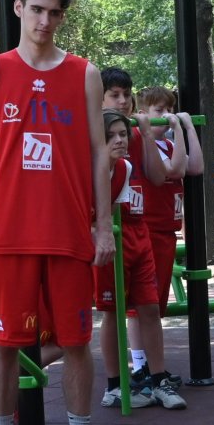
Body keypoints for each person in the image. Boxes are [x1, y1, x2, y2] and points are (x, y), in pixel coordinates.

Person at [0, 0, 113, 425]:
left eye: (54, 12)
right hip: (8, 231)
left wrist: (104, 227)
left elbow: (100, 155)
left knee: (76, 340)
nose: (45, 20)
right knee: (3, 343)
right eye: (36, 10)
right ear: (18, 9)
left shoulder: (84, 74)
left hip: (70, 230)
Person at [93, 112, 165, 407]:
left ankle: (159, 379)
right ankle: (113, 385)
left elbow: (108, 210)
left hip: (131, 237)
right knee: (104, 314)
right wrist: (98, 233)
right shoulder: (83, 168)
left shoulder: (124, 168)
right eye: (112, 136)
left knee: (149, 306)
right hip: (93, 243)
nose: (120, 140)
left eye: (123, 134)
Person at [134, 84, 199, 408]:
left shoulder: (167, 143)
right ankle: (139, 367)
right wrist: (174, 129)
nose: (166, 116)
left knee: (153, 304)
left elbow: (193, 166)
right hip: (149, 228)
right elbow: (171, 172)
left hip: (166, 230)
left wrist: (184, 128)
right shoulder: (145, 144)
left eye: (168, 109)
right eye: (160, 110)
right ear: (143, 113)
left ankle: (146, 366)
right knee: (141, 306)